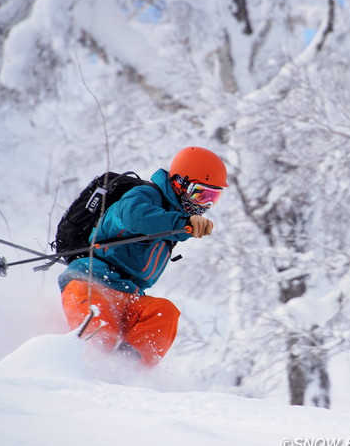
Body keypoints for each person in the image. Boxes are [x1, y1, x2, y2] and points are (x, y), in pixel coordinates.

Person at [58, 146, 227, 367]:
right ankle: (89, 376)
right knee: (100, 340)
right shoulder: (144, 196)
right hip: (91, 284)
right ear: (179, 183)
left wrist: (182, 224)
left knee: (163, 313)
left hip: (129, 295)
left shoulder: (174, 218)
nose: (203, 205)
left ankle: (127, 375)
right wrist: (182, 224)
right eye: (200, 193)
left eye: (213, 198)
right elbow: (133, 216)